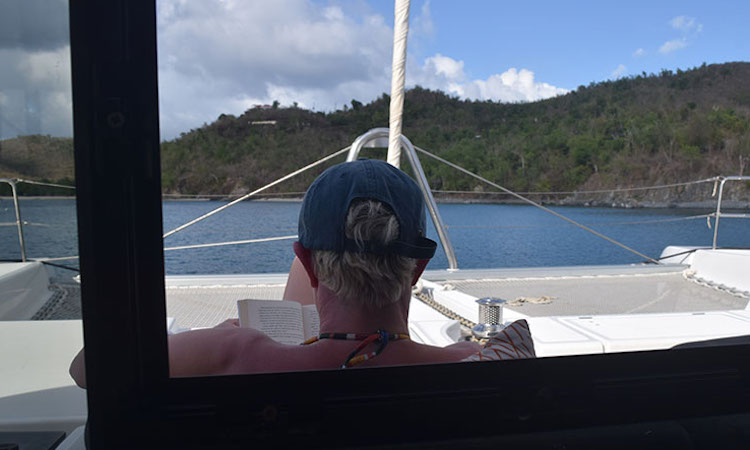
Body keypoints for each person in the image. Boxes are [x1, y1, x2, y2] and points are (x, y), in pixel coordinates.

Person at [70, 159, 480, 387]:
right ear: (417, 269)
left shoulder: (235, 355)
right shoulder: (480, 363)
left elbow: (86, 368)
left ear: (308, 265)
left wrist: (220, 335)